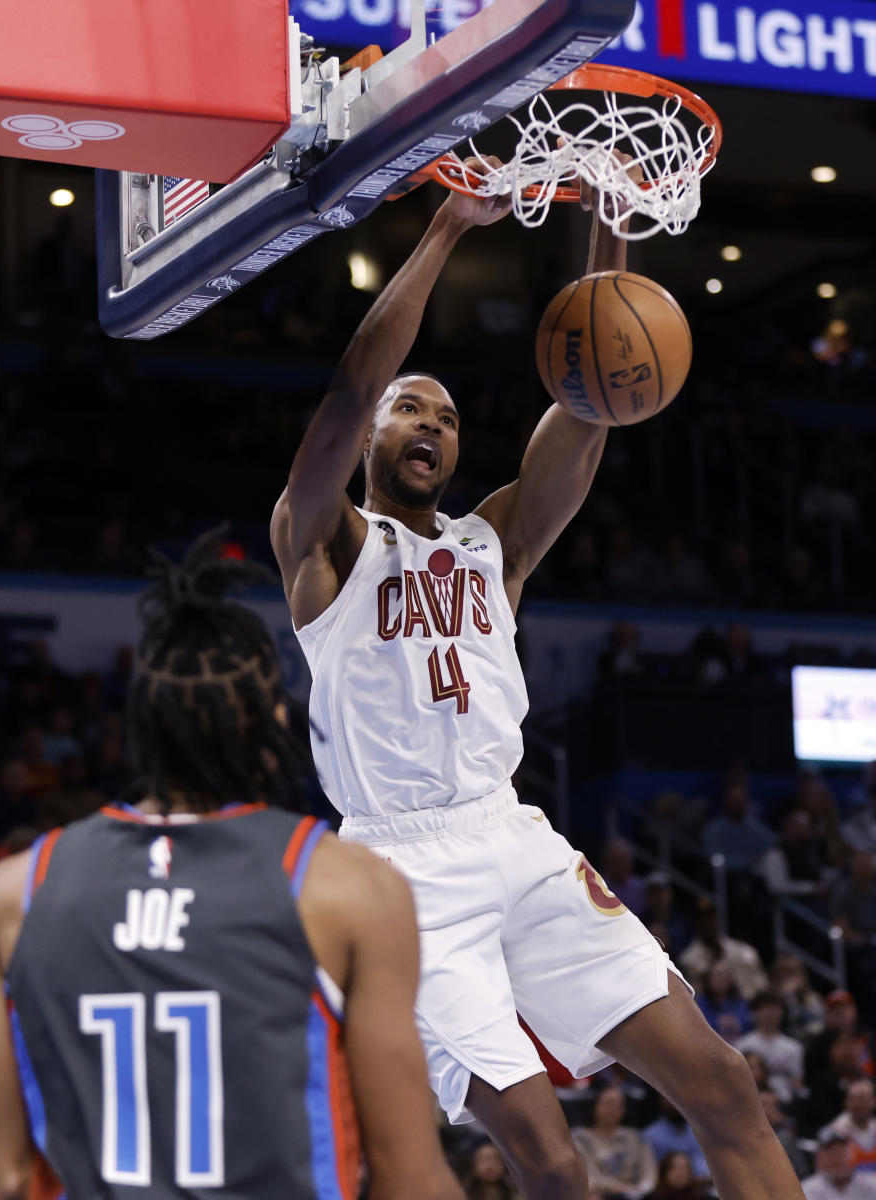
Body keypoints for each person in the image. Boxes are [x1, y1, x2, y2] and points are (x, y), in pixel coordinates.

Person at [272, 161, 805, 1199]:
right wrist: (448, 228)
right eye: (410, 410)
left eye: (449, 418)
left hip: (512, 837)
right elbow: (344, 390)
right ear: (373, 437)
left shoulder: (492, 545)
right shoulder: (322, 547)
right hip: (399, 875)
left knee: (725, 1083)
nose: (431, 426)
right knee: (551, 1162)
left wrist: (612, 231)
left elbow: (593, 396)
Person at [0, 530, 463, 1200]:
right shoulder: (346, 887)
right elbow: (410, 1181)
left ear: (142, 720)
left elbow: (2, 1180)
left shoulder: (13, 892)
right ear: (270, 723)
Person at [571, 1085, 656, 1199]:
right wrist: (619, 1188)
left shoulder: (635, 1137)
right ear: (595, 1105)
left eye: (620, 1104)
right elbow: (589, 1177)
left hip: (634, 1195)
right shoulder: (579, 1137)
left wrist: (639, 1190)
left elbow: (649, 1176)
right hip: (598, 1193)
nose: (614, 1108)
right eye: (609, 1103)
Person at [736, 991, 804, 1103]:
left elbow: (797, 1081)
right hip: (751, 1101)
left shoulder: (793, 1047)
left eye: (774, 1009)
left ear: (782, 1012)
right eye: (765, 1008)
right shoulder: (742, 1045)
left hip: (784, 1102)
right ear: (756, 1012)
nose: (770, 1013)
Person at [803, 1129, 876, 1200]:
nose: (838, 1158)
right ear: (819, 1158)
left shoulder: (871, 1185)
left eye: (842, 1151)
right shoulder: (807, 1190)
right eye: (832, 1152)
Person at [823, 1079, 876, 1173]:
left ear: (873, 1101)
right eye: (856, 1100)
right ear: (847, 1102)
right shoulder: (835, 1132)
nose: (860, 1105)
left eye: (864, 1099)